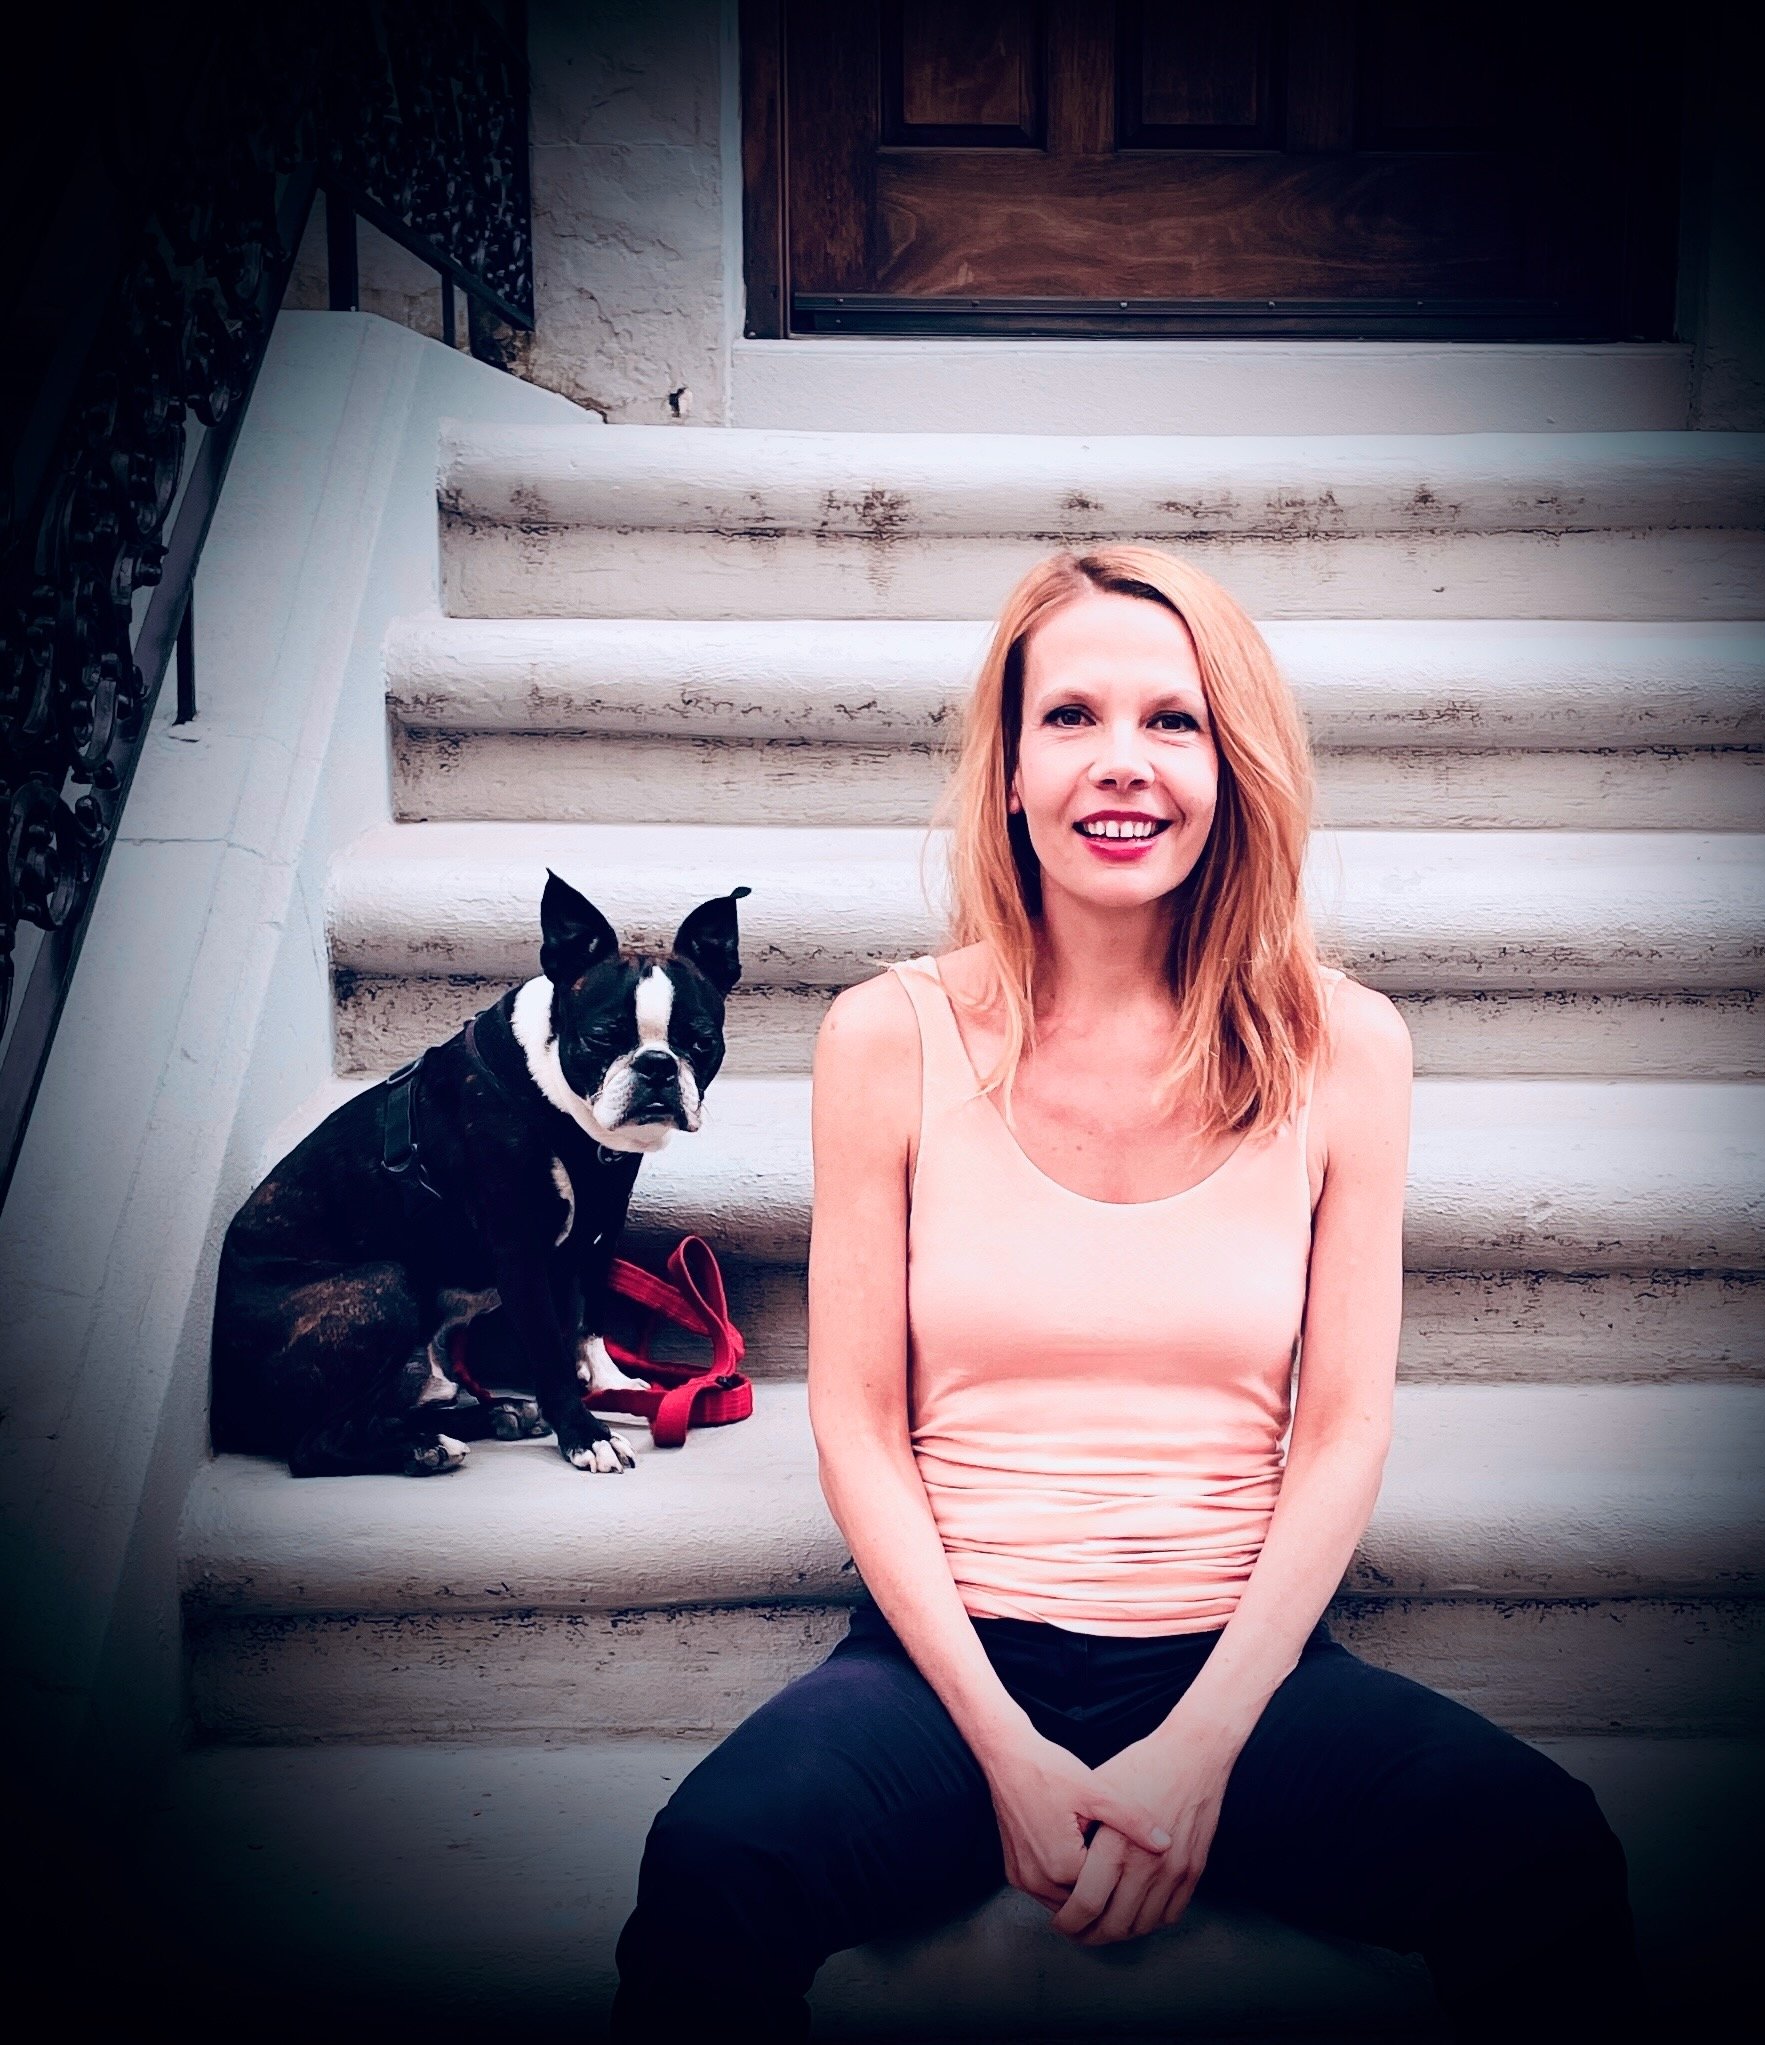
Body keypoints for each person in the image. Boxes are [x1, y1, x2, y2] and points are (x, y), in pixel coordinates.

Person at [611, 546, 1637, 2042]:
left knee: (1549, 1860)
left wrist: (1201, 1745)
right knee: (711, 1870)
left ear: (1232, 764)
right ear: (1009, 769)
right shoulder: (883, 1036)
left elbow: (1342, 1430)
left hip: (1237, 1660)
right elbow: (857, 1424)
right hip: (949, 1664)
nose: (1121, 764)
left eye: (1173, 721)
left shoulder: (1343, 1047)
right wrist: (1007, 1752)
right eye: (1070, 716)